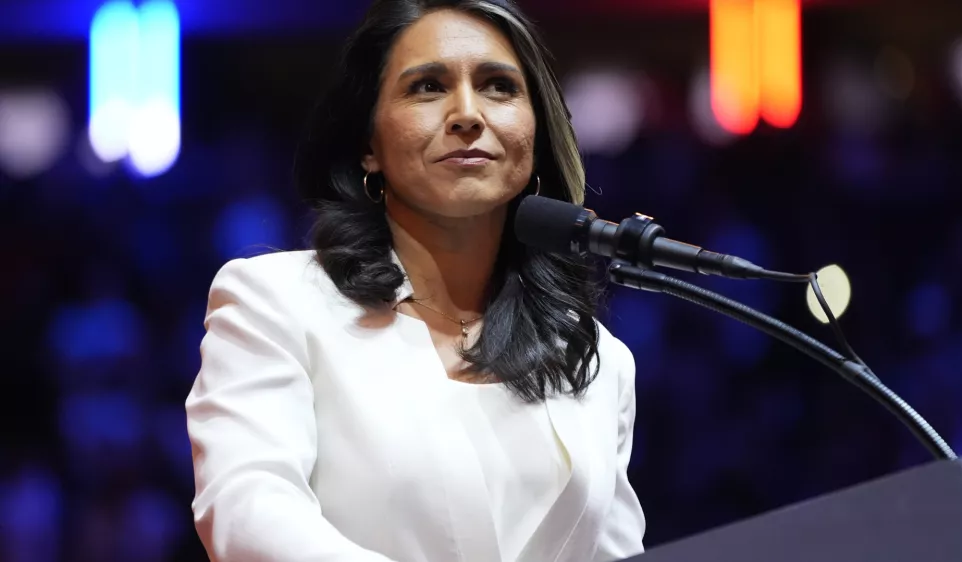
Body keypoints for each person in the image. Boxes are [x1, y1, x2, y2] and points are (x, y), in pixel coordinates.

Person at [184, 0, 645, 561]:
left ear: (535, 129)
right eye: (427, 87)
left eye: (499, 86)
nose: (468, 114)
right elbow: (248, 512)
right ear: (368, 147)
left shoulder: (596, 357)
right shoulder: (275, 302)